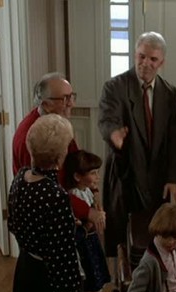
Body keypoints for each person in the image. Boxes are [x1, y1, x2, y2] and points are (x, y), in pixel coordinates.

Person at [8, 114, 92, 292]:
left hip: (26, 269)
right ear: (61, 154)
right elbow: (62, 257)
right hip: (50, 282)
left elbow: (14, 224)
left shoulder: (20, 178)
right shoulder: (56, 196)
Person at [98, 31, 176, 258]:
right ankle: (121, 285)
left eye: (152, 59)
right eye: (141, 56)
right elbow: (107, 119)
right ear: (135, 55)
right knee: (121, 240)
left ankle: (151, 282)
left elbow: (174, 138)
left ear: (161, 62)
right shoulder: (114, 87)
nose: (145, 63)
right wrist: (114, 135)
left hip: (158, 178)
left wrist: (174, 178)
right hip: (125, 172)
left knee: (154, 234)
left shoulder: (169, 92)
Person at [12, 72, 106, 234]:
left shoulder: (57, 123)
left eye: (72, 96)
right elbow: (48, 191)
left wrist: (93, 190)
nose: (72, 104)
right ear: (46, 104)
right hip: (45, 222)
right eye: (65, 99)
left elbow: (78, 162)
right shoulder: (32, 135)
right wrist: (87, 212)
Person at [63, 149, 111, 292]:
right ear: (78, 176)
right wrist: (93, 220)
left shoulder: (86, 191)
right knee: (89, 264)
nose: (97, 177)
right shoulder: (75, 195)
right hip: (84, 239)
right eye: (93, 173)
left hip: (92, 237)